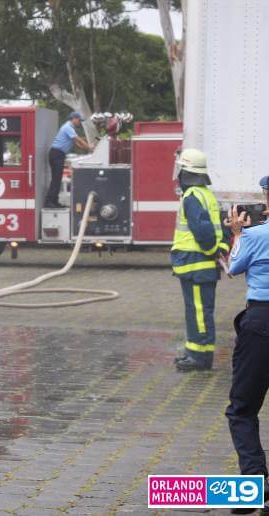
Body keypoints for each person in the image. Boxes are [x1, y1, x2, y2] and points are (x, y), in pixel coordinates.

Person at [224, 178, 269, 512]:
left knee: (242, 409)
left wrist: (237, 233)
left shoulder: (254, 235)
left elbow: (233, 268)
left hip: (261, 325)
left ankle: (254, 485)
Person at [171, 148, 230, 372]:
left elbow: (204, 231)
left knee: (198, 311)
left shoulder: (193, 196)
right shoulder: (205, 194)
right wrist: (220, 248)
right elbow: (221, 227)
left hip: (196, 264)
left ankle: (201, 358)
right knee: (196, 310)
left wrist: (212, 248)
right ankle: (193, 351)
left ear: (187, 173)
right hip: (198, 266)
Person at [46, 112, 94, 208]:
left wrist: (89, 149)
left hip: (58, 154)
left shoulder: (71, 128)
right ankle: (49, 202)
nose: (80, 122)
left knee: (57, 179)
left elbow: (77, 143)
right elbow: (79, 140)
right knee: (56, 179)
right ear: (74, 119)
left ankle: (54, 201)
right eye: (79, 120)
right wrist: (89, 147)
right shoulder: (68, 127)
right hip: (57, 154)